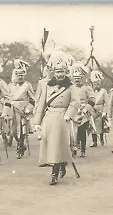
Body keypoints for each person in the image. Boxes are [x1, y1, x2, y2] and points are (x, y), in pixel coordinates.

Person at [34, 52, 81, 185]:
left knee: (58, 145)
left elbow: (75, 102)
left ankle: (55, 173)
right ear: (53, 72)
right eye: (57, 72)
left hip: (62, 118)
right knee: (50, 145)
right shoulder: (48, 85)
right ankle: (59, 165)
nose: (59, 75)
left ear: (66, 72)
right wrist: (37, 122)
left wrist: (69, 114)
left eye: (62, 72)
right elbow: (42, 104)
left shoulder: (71, 87)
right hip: (49, 118)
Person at [8, 59, 37, 159]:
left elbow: (33, 100)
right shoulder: (10, 85)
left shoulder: (27, 85)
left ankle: (20, 148)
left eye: (21, 75)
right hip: (12, 111)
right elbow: (7, 98)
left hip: (23, 111)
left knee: (22, 131)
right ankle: (21, 145)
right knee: (13, 132)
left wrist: (28, 109)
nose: (20, 77)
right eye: (18, 75)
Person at [71, 62, 95, 158]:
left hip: (83, 113)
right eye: (75, 78)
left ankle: (83, 150)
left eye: (79, 78)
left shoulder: (87, 88)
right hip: (73, 112)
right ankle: (74, 148)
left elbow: (93, 99)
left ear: (82, 78)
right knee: (73, 132)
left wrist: (86, 108)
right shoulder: (70, 88)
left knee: (82, 132)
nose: (77, 80)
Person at [90, 70, 108, 147]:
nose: (96, 85)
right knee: (92, 126)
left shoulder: (103, 91)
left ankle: (101, 139)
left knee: (100, 126)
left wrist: (104, 111)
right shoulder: (90, 91)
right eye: (95, 83)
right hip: (92, 110)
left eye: (98, 83)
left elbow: (106, 102)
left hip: (100, 110)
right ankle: (94, 141)